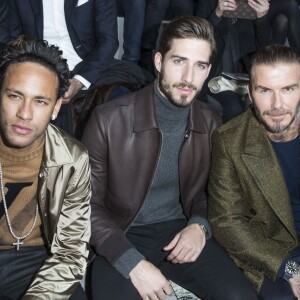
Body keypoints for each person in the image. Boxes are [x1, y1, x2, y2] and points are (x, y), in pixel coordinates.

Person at [82, 16, 257, 300]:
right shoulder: (108, 120)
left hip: (178, 230)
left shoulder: (211, 122)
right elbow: (85, 205)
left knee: (241, 297)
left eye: (199, 66)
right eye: (179, 61)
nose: (188, 77)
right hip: (120, 233)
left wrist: (200, 225)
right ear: (159, 61)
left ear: (209, 70)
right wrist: (131, 262)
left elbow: (211, 193)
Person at [0, 36, 91, 300]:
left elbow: (70, 252)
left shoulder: (72, 159)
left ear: (56, 107)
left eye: (40, 101)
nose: (25, 114)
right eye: (15, 96)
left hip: (38, 260)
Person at [208, 44, 300, 299]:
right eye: (265, 91)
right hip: (271, 250)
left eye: (288, 89)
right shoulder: (229, 140)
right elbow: (226, 221)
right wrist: (289, 268)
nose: (277, 104)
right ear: (249, 92)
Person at [10, 0, 118, 134]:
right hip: (38, 65)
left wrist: (80, 81)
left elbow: (108, 41)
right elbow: (11, 38)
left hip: (86, 64)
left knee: (116, 109)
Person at [195, 0, 272, 122]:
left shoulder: (256, 4)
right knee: (234, 108)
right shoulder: (208, 3)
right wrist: (217, 14)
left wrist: (262, 18)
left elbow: (267, 52)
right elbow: (195, 40)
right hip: (215, 77)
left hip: (246, 75)